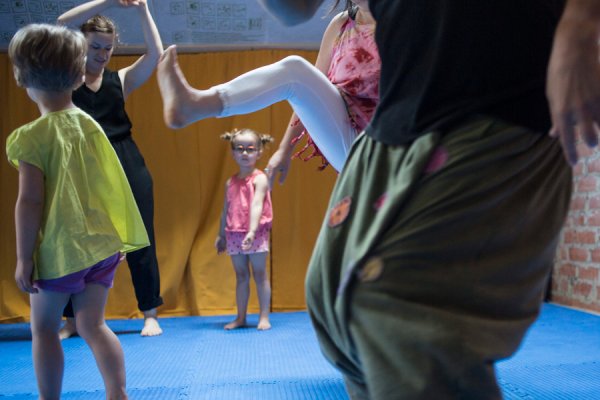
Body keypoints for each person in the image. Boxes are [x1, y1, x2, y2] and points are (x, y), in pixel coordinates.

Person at [254, 0, 600, 399]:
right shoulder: (341, 24)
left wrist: (580, 23)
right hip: (392, 128)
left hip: (497, 105)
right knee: (333, 304)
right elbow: (294, 10)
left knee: (401, 315)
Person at [6, 23, 149, 400]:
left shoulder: (31, 137)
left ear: (22, 76)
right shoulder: (90, 124)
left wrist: (24, 258)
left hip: (60, 252)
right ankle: (117, 393)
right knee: (93, 324)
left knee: (45, 329)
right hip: (102, 247)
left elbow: (30, 202)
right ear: (77, 72)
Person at [156, 0, 379, 175]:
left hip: (388, 146)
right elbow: (311, 94)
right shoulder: (341, 26)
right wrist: (284, 150)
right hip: (349, 141)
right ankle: (195, 104)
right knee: (295, 69)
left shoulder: (404, 27)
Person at [57, 0, 164, 338]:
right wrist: (108, 0)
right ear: (81, 46)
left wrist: (142, 9)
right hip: (84, 165)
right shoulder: (66, 78)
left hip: (126, 159)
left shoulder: (121, 79)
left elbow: (156, 55)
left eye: (108, 47)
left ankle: (150, 313)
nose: (102, 53)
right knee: (78, 241)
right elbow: (60, 23)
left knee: (141, 240)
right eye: (95, 47)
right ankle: (72, 320)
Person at [215, 129, 275, 331]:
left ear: (259, 152)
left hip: (255, 233)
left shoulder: (260, 179)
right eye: (240, 149)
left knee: (259, 274)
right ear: (233, 153)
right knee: (241, 276)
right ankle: (241, 317)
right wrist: (221, 235)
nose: (245, 153)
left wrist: (251, 231)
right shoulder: (230, 182)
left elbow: (257, 204)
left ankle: (264, 316)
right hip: (234, 233)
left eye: (250, 149)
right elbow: (226, 208)